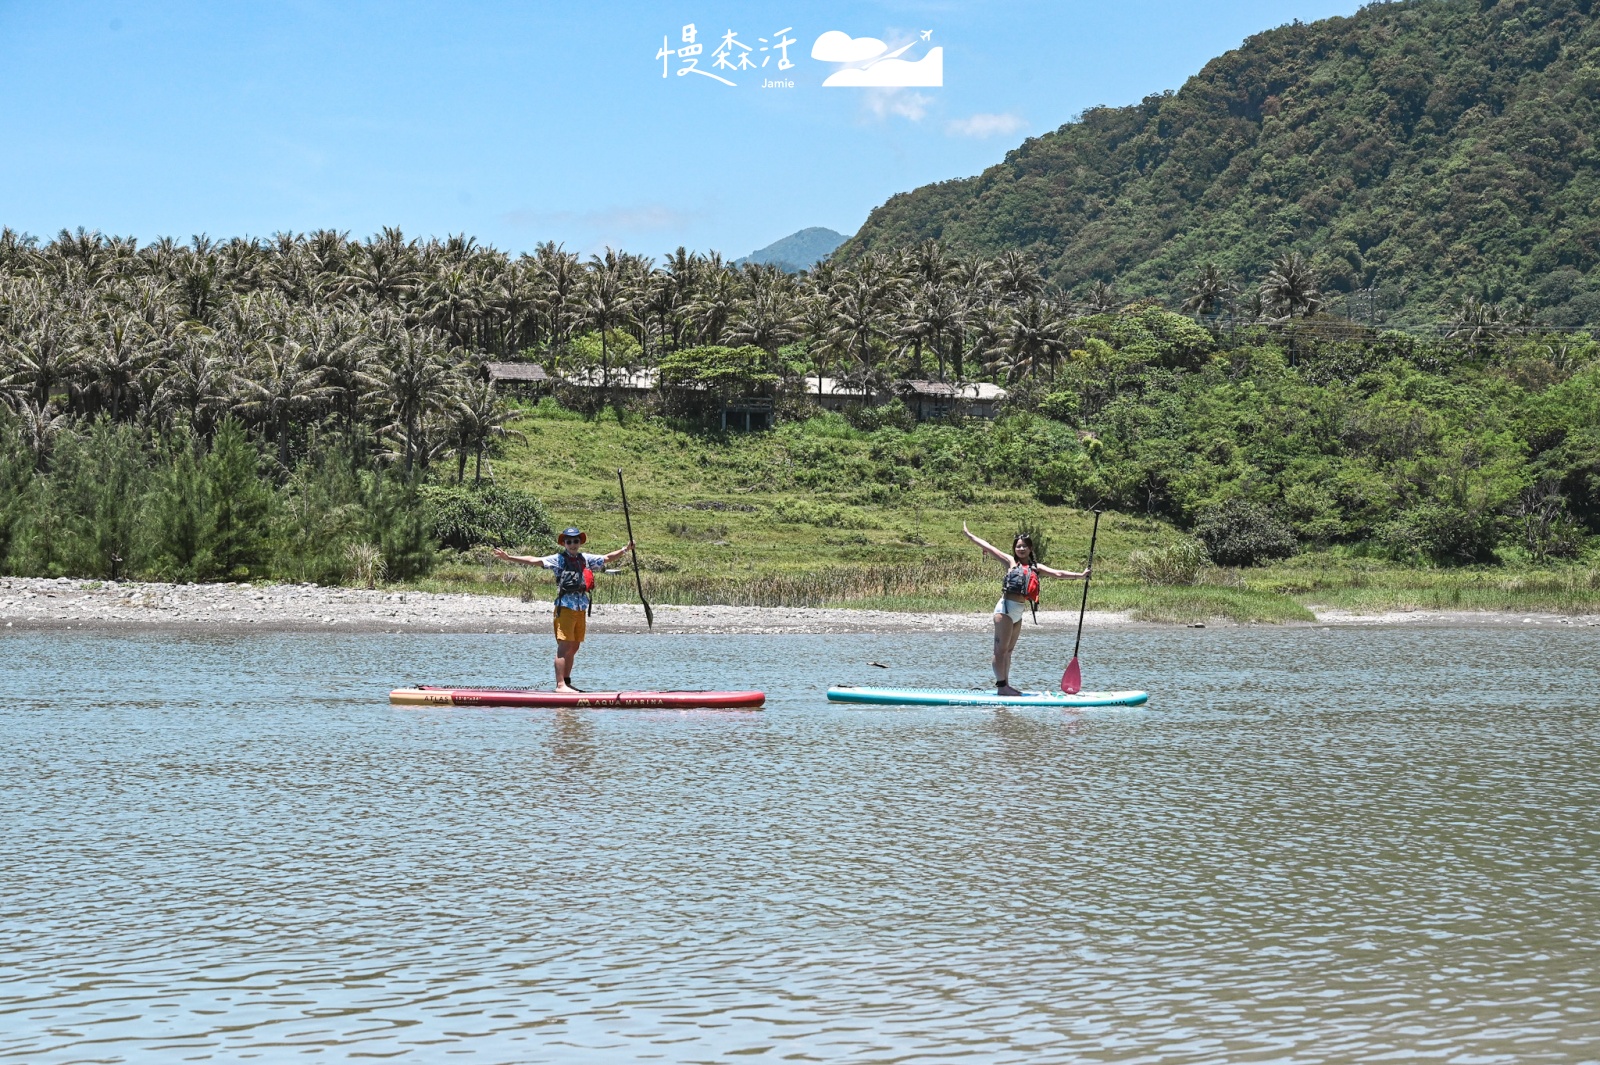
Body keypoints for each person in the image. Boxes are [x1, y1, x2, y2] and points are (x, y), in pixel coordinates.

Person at [493, 527, 634, 693]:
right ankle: (560, 685)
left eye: (575, 541)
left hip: (581, 607)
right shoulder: (558, 559)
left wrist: (626, 549)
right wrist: (509, 558)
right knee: (564, 646)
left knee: (574, 647)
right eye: (569, 541)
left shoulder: (586, 559)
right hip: (565, 607)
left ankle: (567, 682)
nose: (573, 544)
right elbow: (534, 560)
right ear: (564, 543)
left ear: (580, 542)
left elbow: (607, 558)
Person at [963, 522, 1091, 697]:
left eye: (1024, 546)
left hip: (1018, 613)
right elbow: (990, 548)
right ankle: (1002, 686)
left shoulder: (1035, 568)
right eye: (1018, 546)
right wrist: (970, 536)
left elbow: (1058, 574)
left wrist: (1081, 575)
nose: (1021, 549)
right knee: (1000, 651)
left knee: (1008, 651)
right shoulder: (1010, 562)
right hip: (1005, 610)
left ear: (1030, 549)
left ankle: (1005, 685)